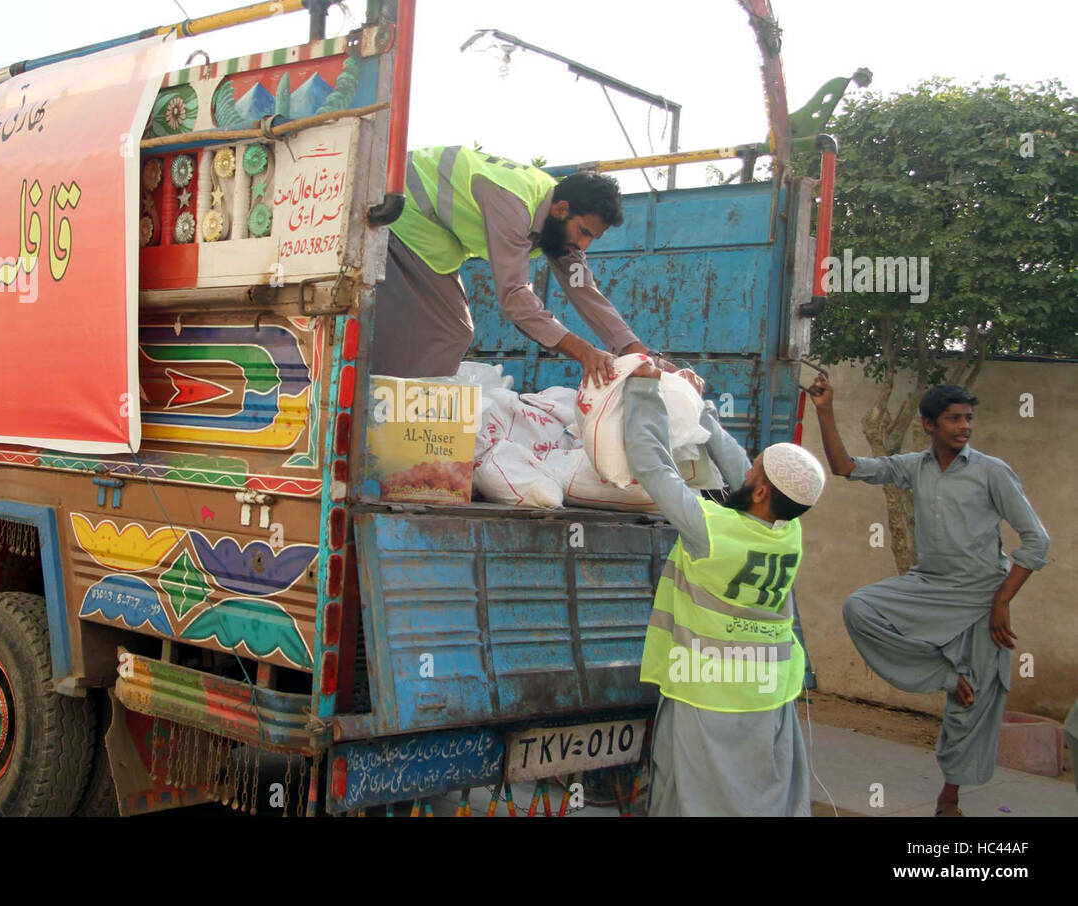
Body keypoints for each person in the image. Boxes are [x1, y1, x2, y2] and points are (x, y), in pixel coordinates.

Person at [809, 375, 1050, 817]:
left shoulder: (991, 472)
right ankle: (942, 674)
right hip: (929, 585)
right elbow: (845, 467)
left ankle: (949, 801)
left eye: (968, 419)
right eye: (954, 419)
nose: (964, 427)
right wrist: (825, 410)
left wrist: (1001, 601)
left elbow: (1037, 543)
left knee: (972, 703)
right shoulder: (913, 466)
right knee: (859, 607)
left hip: (980, 596)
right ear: (929, 425)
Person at [626, 356, 825, 816]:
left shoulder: (711, 530)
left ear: (759, 491)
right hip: (766, 690)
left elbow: (651, 465)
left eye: (755, 471)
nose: (747, 470)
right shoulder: (789, 533)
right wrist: (701, 408)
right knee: (756, 796)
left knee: (695, 795)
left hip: (708, 691)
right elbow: (741, 472)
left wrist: (645, 390)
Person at [373, 145, 683, 388]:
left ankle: (397, 406)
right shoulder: (513, 204)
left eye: (593, 238)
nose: (583, 246)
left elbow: (583, 290)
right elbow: (515, 298)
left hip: (425, 225)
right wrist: (584, 352)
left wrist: (638, 351)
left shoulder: (558, 220)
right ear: (562, 210)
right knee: (448, 331)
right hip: (402, 211)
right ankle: (393, 418)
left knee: (446, 330)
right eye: (584, 233)